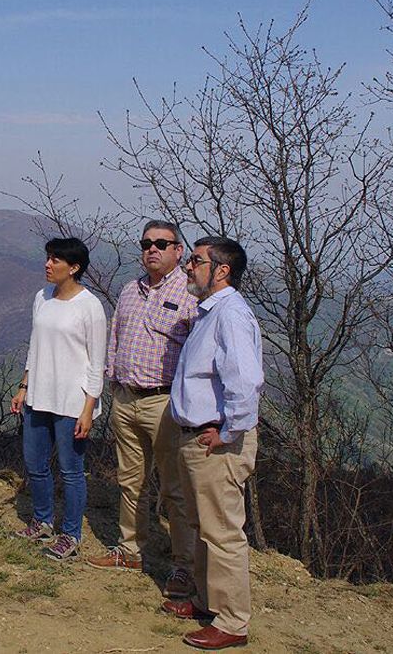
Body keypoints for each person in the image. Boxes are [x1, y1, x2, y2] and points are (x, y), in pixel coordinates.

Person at [161, 236, 263, 650]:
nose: (188, 266)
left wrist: (228, 431)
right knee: (202, 525)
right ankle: (207, 603)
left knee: (222, 531)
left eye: (196, 261)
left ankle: (232, 622)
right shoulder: (208, 312)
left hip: (216, 441)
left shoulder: (231, 315)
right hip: (198, 438)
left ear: (221, 270)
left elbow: (245, 380)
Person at [87, 221, 197, 599]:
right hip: (127, 398)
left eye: (161, 244)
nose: (152, 249)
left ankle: (184, 566)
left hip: (165, 402)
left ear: (178, 251)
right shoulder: (130, 290)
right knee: (130, 482)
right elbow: (115, 337)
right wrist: (114, 381)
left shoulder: (189, 293)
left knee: (174, 488)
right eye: (147, 243)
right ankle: (130, 550)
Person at [9, 237, 107, 561]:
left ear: (74, 267)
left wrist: (89, 408)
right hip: (39, 394)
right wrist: (24, 386)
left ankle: (71, 535)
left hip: (71, 402)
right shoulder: (42, 297)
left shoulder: (90, 307)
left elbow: (97, 363)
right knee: (35, 464)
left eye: (55, 260)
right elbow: (34, 346)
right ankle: (41, 520)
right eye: (48, 258)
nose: (47, 265)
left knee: (71, 471)